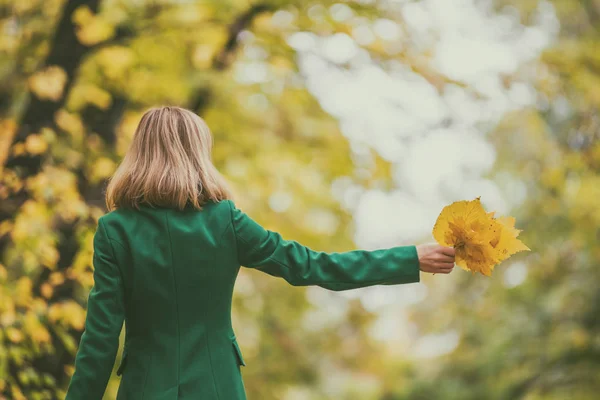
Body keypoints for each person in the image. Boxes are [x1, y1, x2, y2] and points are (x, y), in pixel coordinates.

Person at [65, 106, 455, 400]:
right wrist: (409, 257)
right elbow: (312, 266)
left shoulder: (114, 230)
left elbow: (100, 338)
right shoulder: (225, 221)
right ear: (198, 154)